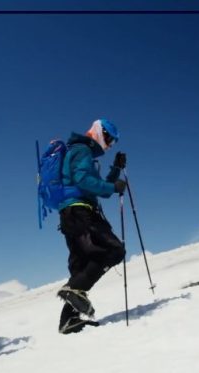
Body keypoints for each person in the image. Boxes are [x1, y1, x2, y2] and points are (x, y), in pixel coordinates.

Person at [55, 118, 127, 334]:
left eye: (112, 142)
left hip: (71, 214)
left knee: (81, 265)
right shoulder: (82, 150)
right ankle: (74, 290)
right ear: (99, 132)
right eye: (109, 139)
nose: (109, 144)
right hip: (80, 212)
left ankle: (69, 320)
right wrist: (113, 186)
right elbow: (83, 180)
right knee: (114, 249)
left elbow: (97, 187)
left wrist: (115, 170)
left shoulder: (80, 151)